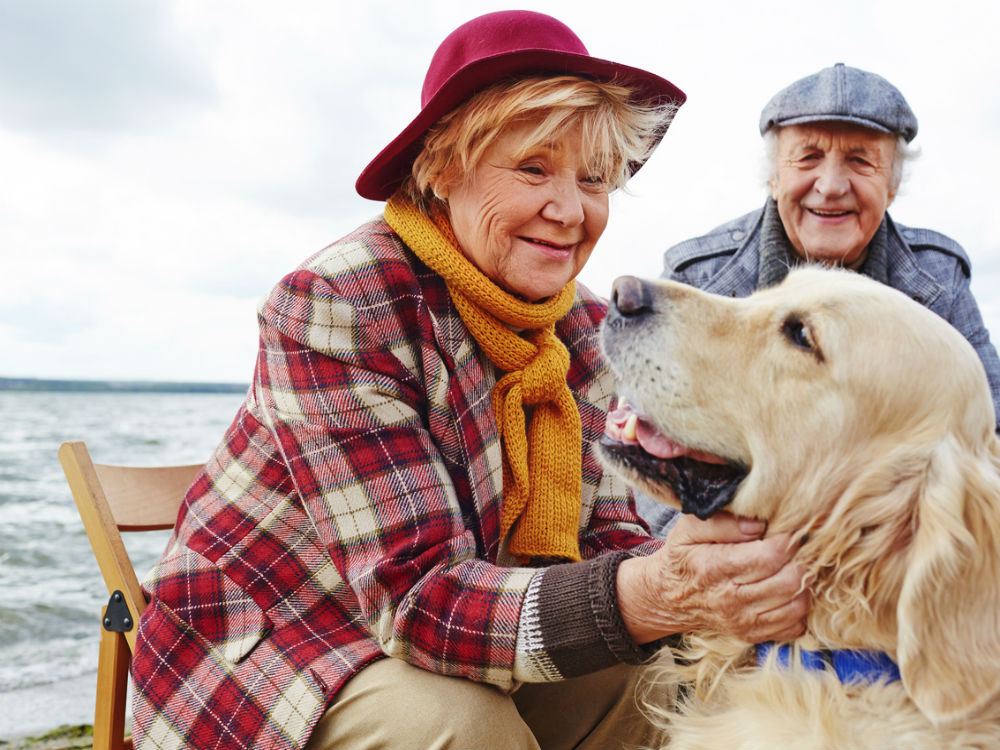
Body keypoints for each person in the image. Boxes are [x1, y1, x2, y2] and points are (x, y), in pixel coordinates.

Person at [129, 11, 809, 750]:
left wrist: (711, 565)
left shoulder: (585, 329)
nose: (570, 210)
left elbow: (607, 538)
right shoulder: (338, 302)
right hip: (284, 635)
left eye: (594, 179)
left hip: (458, 628)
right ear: (443, 167)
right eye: (533, 168)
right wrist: (658, 589)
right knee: (461, 728)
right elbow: (418, 599)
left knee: (657, 676)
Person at [638, 63, 1000, 536]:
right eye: (807, 158)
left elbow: (986, 435)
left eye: (861, 161)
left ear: (892, 185)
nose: (830, 185)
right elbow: (646, 469)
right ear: (772, 177)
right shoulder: (699, 278)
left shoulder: (939, 279)